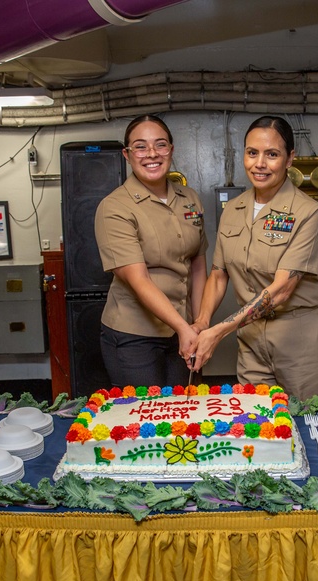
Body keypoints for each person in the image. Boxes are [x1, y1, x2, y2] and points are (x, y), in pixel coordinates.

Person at [190, 116, 318, 400]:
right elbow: (219, 275)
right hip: (251, 341)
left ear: (289, 159)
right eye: (252, 152)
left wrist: (219, 331)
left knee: (309, 422)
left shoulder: (308, 213)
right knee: (259, 426)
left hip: (299, 341)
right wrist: (201, 323)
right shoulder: (233, 209)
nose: (260, 163)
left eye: (272, 154)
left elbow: (281, 290)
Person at [94, 115, 208, 387]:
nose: (152, 154)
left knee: (185, 413)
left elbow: (198, 263)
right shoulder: (115, 207)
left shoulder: (189, 198)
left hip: (185, 330)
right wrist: (183, 328)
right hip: (135, 336)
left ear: (171, 149)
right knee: (145, 418)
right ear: (127, 154)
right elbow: (138, 279)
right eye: (141, 147)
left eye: (160, 145)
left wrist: (200, 323)